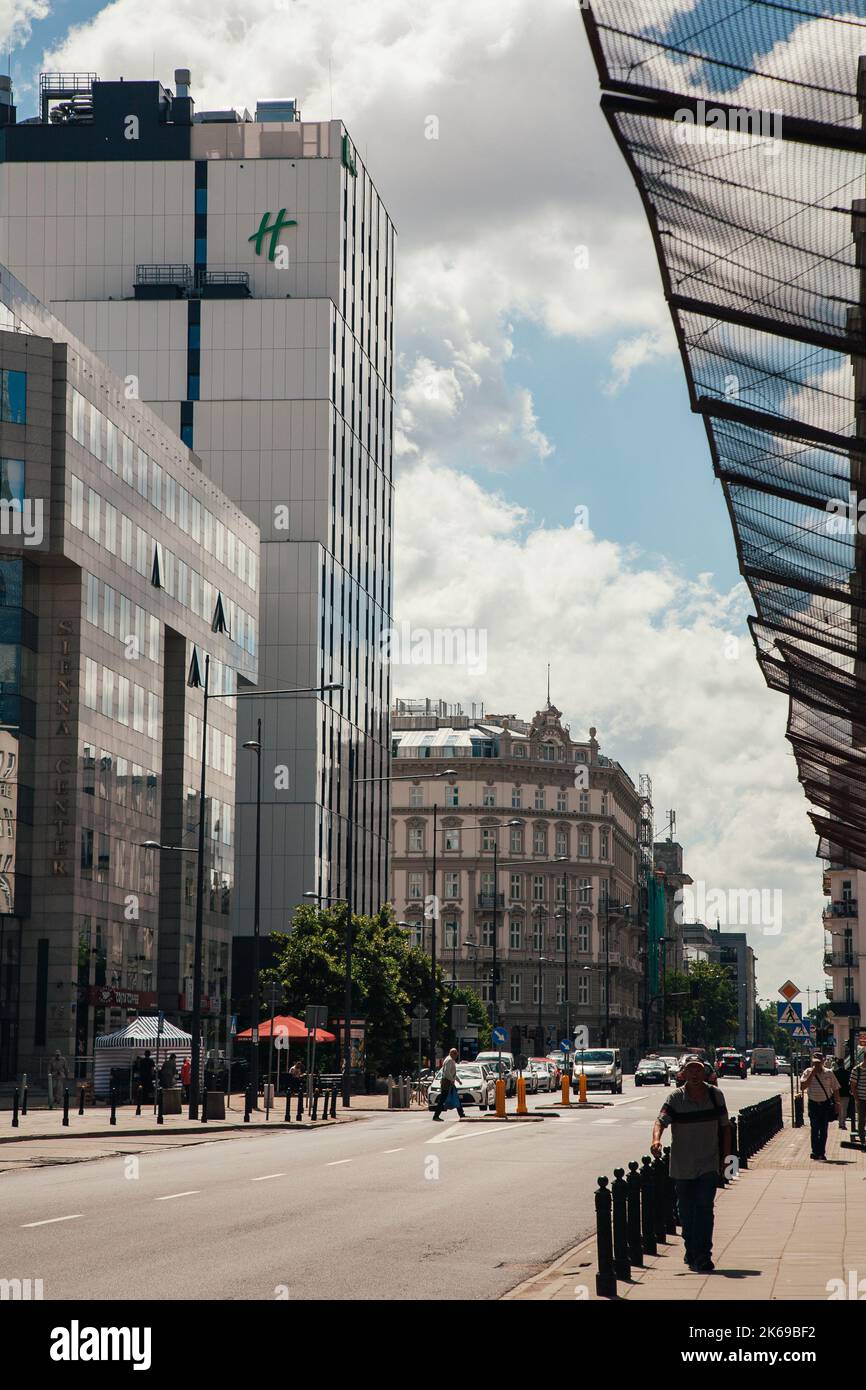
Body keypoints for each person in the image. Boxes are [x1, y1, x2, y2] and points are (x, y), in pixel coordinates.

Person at [651, 1054, 731, 1273]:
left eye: (698, 1070)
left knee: (705, 1209)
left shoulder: (715, 1096)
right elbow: (660, 1121)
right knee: (686, 1212)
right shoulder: (675, 1098)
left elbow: (725, 1127)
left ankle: (704, 1255)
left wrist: (726, 1159)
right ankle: (691, 1248)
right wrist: (656, 1140)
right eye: (690, 1070)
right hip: (682, 1165)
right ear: (683, 1074)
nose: (694, 1074)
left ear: (704, 1073)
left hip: (708, 1164)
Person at [800, 1051, 841, 1160]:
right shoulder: (807, 1072)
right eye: (815, 1063)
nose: (816, 1065)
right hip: (813, 1104)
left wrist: (837, 1103)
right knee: (814, 1128)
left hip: (825, 1104)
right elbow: (802, 1087)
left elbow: (836, 1088)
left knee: (823, 1130)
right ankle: (814, 1151)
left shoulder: (829, 1073)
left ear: (823, 1061)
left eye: (819, 1062)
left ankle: (821, 1152)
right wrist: (812, 1074)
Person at [432, 1047, 465, 1121]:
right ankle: (436, 1116)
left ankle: (462, 1114)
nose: (457, 1055)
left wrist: (458, 1080)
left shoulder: (450, 1059)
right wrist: (452, 1080)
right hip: (447, 1082)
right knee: (442, 1099)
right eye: (455, 1054)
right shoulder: (449, 1060)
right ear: (451, 1053)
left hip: (449, 1081)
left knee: (456, 1097)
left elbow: (452, 1073)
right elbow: (447, 1072)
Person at [849, 1054, 866, 1146]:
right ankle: (862, 1140)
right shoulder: (856, 1070)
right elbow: (853, 1086)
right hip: (861, 1099)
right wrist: (857, 1099)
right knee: (861, 1120)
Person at [833, 1055, 851, 1131]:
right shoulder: (848, 1073)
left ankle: (840, 1123)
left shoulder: (835, 1073)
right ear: (843, 1064)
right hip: (846, 1094)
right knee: (844, 1109)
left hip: (838, 1093)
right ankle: (843, 1123)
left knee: (839, 1109)